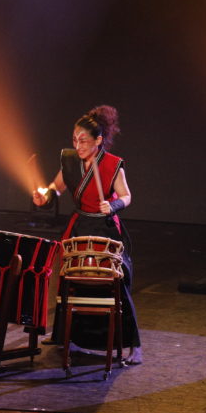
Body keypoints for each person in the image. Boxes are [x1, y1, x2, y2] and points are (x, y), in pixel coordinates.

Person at [33, 105, 142, 364]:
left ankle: (133, 346)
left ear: (98, 140)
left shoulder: (113, 165)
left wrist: (113, 205)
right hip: (79, 227)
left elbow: (126, 196)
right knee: (69, 280)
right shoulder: (70, 161)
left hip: (105, 229)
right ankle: (64, 336)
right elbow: (55, 188)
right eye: (75, 140)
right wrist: (44, 197)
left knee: (115, 283)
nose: (77, 145)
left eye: (83, 141)